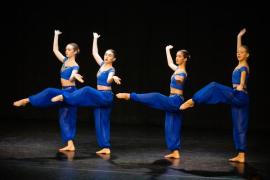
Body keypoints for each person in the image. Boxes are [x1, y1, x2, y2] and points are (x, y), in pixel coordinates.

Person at [180, 28, 250, 163]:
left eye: (242, 53)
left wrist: (241, 85)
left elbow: (242, 79)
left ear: (247, 55)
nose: (239, 54)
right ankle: (241, 154)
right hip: (239, 98)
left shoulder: (245, 67)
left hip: (240, 96)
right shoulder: (239, 63)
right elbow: (239, 48)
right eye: (237, 52)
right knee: (238, 125)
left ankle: (193, 101)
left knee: (214, 86)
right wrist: (238, 36)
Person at [51, 32, 121, 155]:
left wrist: (113, 78)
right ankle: (105, 146)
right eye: (106, 54)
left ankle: (65, 97)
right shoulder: (101, 65)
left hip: (105, 96)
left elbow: (109, 79)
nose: (106, 56)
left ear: (114, 59)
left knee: (87, 90)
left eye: (109, 56)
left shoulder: (111, 69)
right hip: (98, 96)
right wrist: (95, 39)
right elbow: (94, 53)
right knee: (99, 121)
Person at [13, 30, 83, 151]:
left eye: (69, 49)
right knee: (63, 118)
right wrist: (56, 36)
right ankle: (70, 144)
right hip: (64, 90)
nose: (66, 51)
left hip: (70, 92)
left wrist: (74, 76)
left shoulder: (75, 65)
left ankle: (27, 100)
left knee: (50, 92)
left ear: (75, 51)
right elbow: (55, 50)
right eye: (66, 49)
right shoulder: (65, 61)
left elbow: (72, 76)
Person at [116, 45, 190, 159]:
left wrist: (179, 80)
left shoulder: (183, 72)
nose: (177, 58)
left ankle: (130, 96)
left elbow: (181, 80)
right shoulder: (177, 69)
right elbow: (170, 63)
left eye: (179, 56)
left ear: (185, 59)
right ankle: (175, 151)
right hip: (172, 99)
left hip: (176, 100)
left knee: (155, 96)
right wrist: (167, 50)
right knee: (171, 126)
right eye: (176, 56)